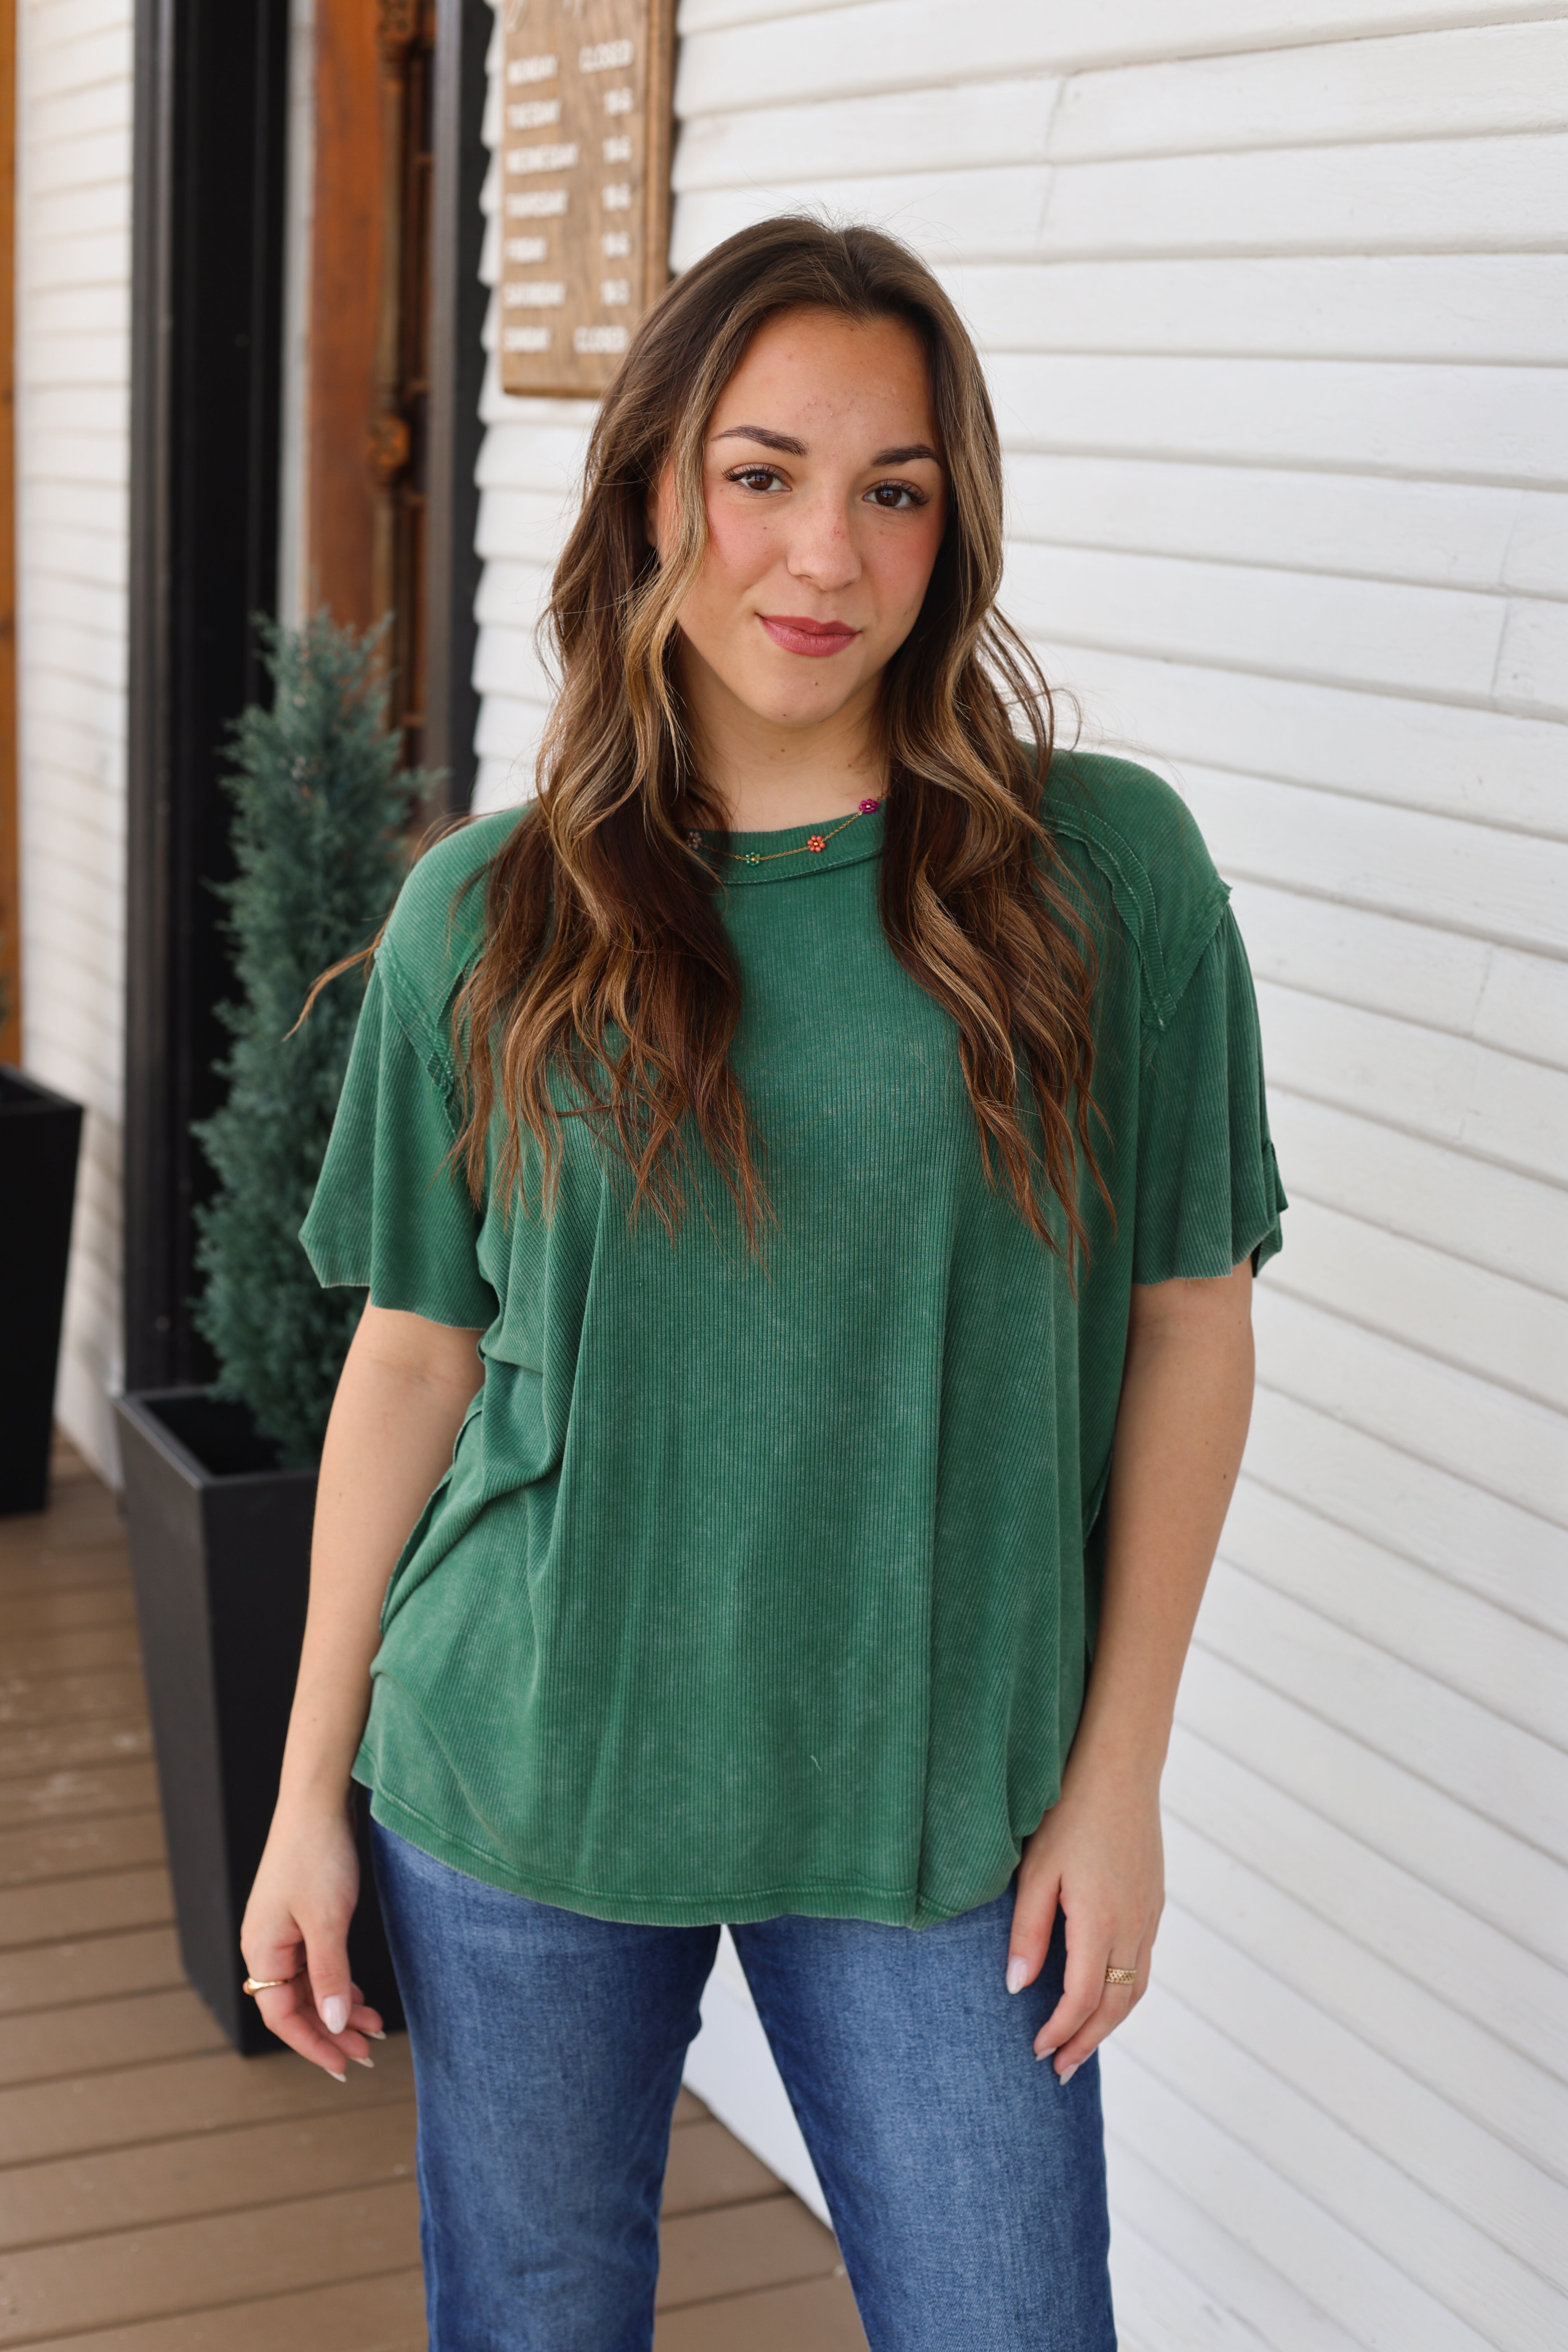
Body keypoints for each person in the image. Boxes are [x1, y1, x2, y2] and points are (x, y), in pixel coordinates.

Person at [241, 217, 1285, 2352]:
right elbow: (416, 1361)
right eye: (761, 475)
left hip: (941, 1803)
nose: (826, 554)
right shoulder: (489, 918)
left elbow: (1191, 1319)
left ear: (952, 526)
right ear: (654, 492)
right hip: (527, 1772)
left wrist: (1121, 1777)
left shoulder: (1105, 880)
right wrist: (301, 1798)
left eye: (894, 489)